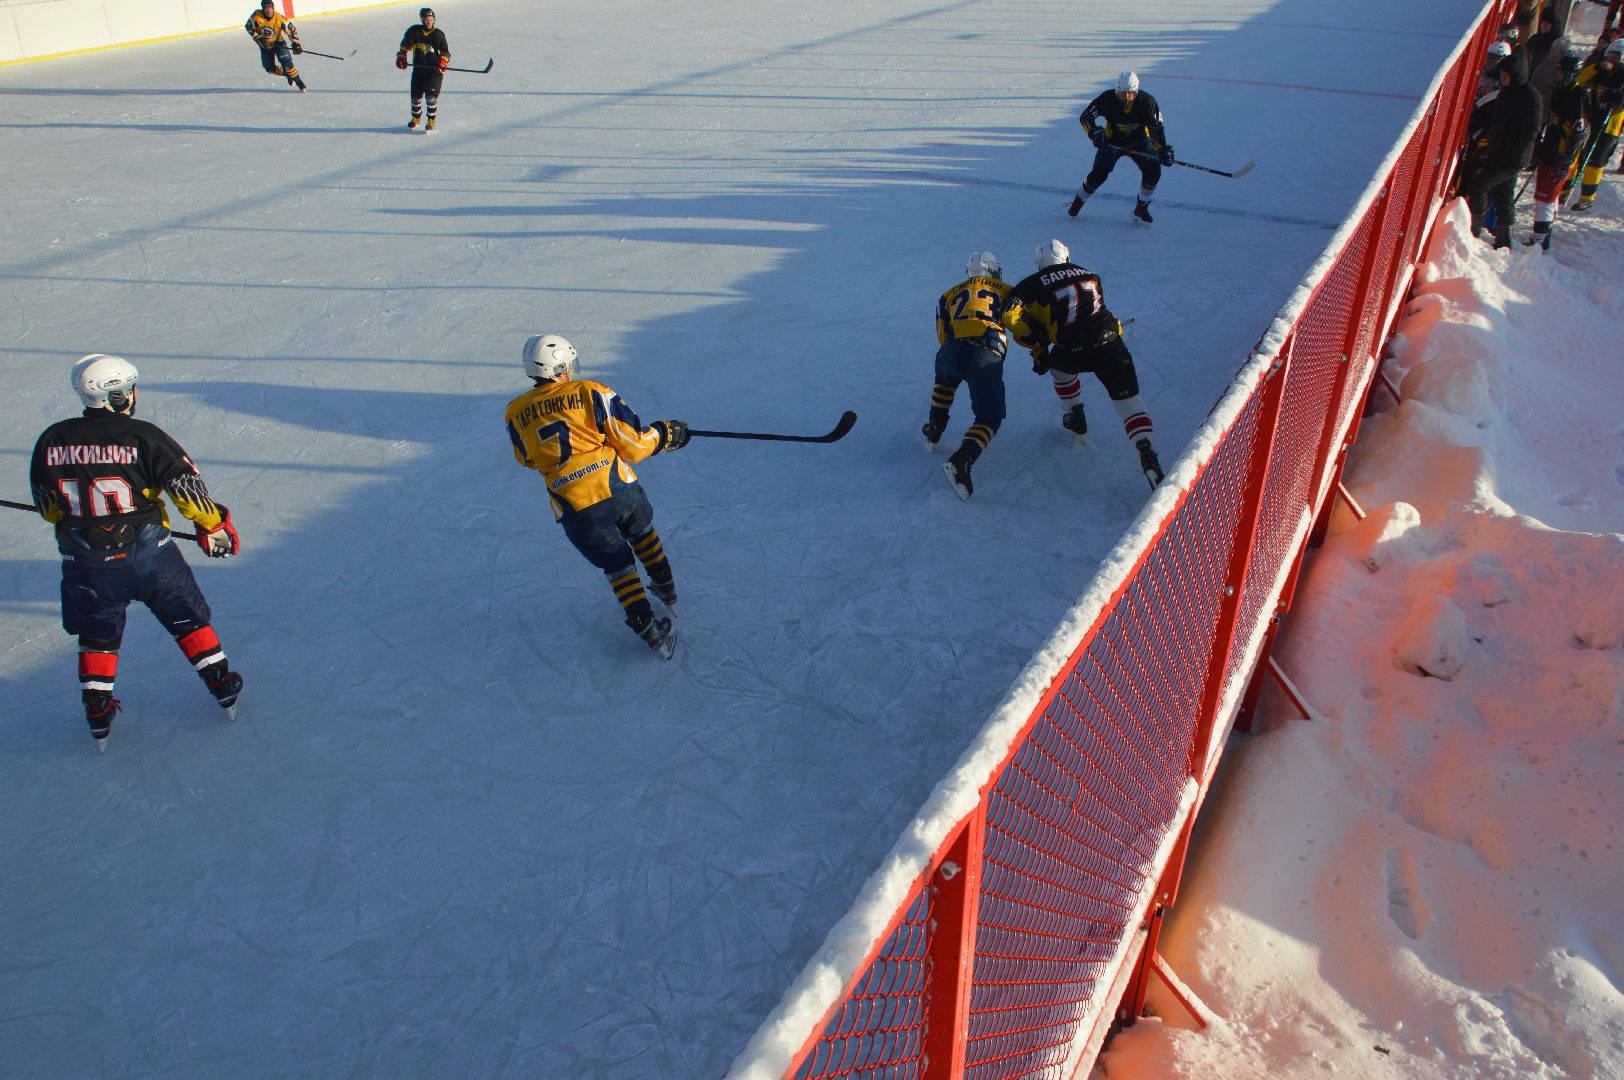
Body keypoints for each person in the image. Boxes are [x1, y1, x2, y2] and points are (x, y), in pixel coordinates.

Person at [29, 355, 245, 751]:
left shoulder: (52, 440)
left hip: (88, 565)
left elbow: (49, 509)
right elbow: (186, 488)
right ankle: (220, 683)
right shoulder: (143, 435)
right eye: (128, 389)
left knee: (97, 637)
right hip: (149, 555)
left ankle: (97, 707)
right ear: (116, 396)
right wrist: (212, 527)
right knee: (187, 618)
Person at [503, 335, 686, 658]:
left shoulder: (515, 412)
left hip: (576, 507)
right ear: (560, 367)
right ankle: (665, 587)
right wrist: (665, 434)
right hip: (618, 488)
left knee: (618, 566)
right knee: (642, 534)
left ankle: (648, 629)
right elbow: (635, 445)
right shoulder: (591, 392)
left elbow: (527, 459)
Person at [1002, 240, 1165, 489]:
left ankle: (1075, 413)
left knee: (1059, 370)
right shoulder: (1091, 274)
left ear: (1040, 263)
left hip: (1072, 349)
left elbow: (1010, 314)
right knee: (1130, 404)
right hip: (1110, 343)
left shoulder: (1032, 284)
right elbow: (1092, 312)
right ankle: (1146, 449)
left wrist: (1035, 340)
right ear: (1066, 256)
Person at [926, 252, 1016, 500]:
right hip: (985, 351)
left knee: (945, 381)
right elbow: (1017, 321)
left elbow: (942, 332)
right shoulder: (1007, 289)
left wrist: (952, 353)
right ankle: (963, 458)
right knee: (990, 418)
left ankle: (935, 425)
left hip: (952, 348)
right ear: (993, 271)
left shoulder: (949, 293)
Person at [1067, 72, 1174, 226]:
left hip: (1139, 141)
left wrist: (1162, 149)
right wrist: (1095, 132)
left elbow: (1156, 129)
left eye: (1129, 94)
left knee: (1153, 170)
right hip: (1112, 141)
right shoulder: (1107, 99)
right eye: (1121, 93)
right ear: (1116, 90)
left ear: (1136, 92)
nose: (1125, 97)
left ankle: (1141, 207)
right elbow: (1085, 117)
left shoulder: (1148, 103)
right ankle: (1078, 200)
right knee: (1099, 173)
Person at [1464, 48, 1542, 247]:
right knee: (1503, 196)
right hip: (1499, 152)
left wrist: (1519, 155)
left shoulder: (1530, 97)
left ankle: (1474, 229)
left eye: (1506, 75)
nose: (1503, 78)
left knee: (1479, 185)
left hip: (1512, 157)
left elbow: (1531, 130)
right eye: (1501, 74)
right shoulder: (1506, 94)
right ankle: (1504, 238)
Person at [1528, 51, 1588, 248]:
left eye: (1562, 73)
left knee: (1544, 198)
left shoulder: (1577, 95)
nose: (1558, 75)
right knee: (1548, 198)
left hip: (1559, 156)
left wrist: (1567, 156)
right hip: (1550, 150)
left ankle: (1539, 242)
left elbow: (1579, 131)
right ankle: (1544, 235)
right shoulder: (1559, 92)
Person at [1571, 38, 1624, 210]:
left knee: (1595, 161)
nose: (1611, 60)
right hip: (1590, 119)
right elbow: (1578, 82)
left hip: (1609, 126)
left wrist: (1617, 99)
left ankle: (1587, 197)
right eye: (1610, 55)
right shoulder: (1599, 70)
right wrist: (1595, 68)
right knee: (1577, 154)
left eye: (1616, 56)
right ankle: (1566, 189)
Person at [397, 7, 450, 131]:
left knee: (431, 97)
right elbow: (405, 45)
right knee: (415, 97)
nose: (429, 21)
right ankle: (416, 117)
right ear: (422, 20)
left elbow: (446, 52)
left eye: (431, 19)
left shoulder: (438, 35)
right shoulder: (414, 31)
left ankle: (431, 120)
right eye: (426, 19)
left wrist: (443, 62)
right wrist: (402, 55)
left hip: (434, 72)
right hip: (419, 69)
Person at [245, 0, 305, 92]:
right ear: (263, 9)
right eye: (266, 9)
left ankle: (299, 82)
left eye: (270, 8)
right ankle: (287, 74)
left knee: (287, 64)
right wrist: (257, 37)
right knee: (269, 68)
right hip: (265, 47)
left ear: (273, 8)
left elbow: (291, 30)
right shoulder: (256, 16)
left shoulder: (279, 18)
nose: (269, 11)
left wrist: (296, 43)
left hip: (279, 44)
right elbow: (248, 27)